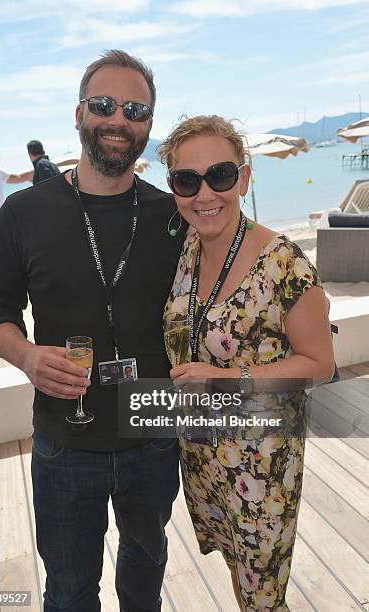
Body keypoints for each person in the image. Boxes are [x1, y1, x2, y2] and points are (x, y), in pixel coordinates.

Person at [0, 50, 186, 611]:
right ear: (78, 114)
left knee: (145, 577)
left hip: (153, 435)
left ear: (147, 126)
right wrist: (27, 357)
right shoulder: (24, 213)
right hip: (66, 442)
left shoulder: (173, 216)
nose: (118, 118)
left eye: (135, 108)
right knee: (68, 592)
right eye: (103, 104)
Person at [160, 115, 334, 611]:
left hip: (262, 463)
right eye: (186, 180)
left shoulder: (285, 262)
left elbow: (320, 363)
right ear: (173, 188)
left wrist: (225, 377)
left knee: (264, 595)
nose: (204, 193)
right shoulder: (189, 246)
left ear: (245, 176)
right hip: (204, 455)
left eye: (220, 175)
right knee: (240, 572)